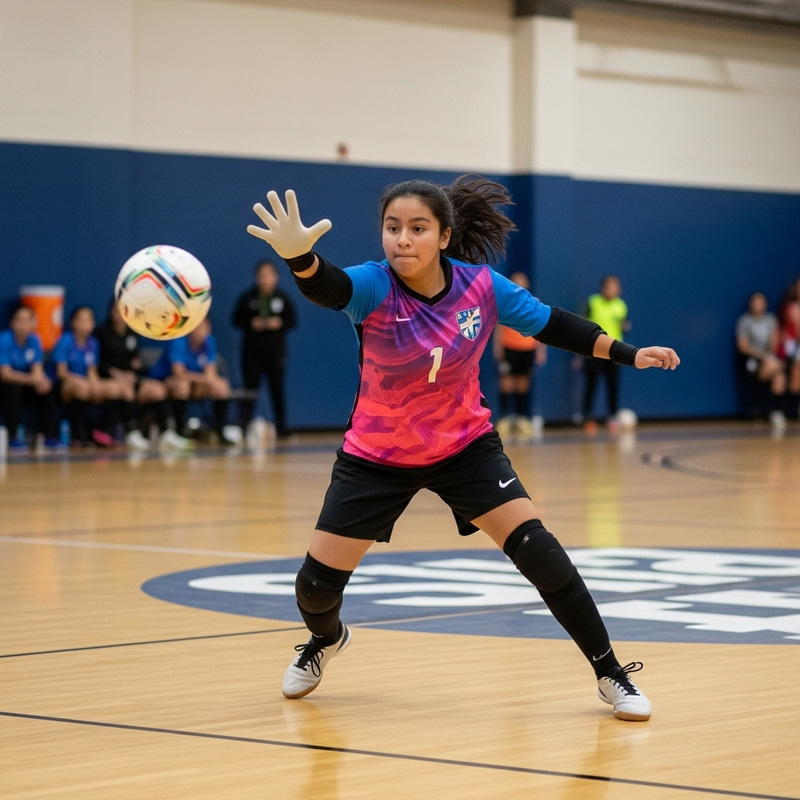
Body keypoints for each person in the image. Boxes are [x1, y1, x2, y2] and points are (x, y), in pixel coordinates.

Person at [246, 175, 680, 721]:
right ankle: (326, 639)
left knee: (542, 554)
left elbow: (553, 325)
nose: (403, 239)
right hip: (377, 456)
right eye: (392, 228)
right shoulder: (375, 285)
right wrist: (302, 259)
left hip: (465, 447)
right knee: (313, 589)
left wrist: (628, 353)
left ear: (444, 236)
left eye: (417, 228)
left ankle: (611, 673)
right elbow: (329, 288)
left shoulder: (481, 287)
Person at [50, 305, 135, 447]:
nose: (85, 324)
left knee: (119, 388)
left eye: (88, 320)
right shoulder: (66, 340)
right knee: (82, 389)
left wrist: (96, 385)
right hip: (63, 385)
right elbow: (61, 373)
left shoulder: (93, 343)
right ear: (73, 322)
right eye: (81, 320)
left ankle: (110, 431)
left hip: (85, 382)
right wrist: (85, 383)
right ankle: (78, 434)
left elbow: (92, 371)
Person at [94, 299, 173, 451]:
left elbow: (134, 361)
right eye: (117, 311)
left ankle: (166, 433)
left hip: (130, 378)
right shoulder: (101, 333)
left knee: (157, 390)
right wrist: (117, 374)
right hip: (109, 378)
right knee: (126, 390)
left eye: (124, 311)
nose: (120, 315)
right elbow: (98, 363)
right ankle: (131, 432)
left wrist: (135, 369)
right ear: (111, 312)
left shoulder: (132, 333)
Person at [231, 258, 297, 438]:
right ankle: (243, 426)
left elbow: (292, 320)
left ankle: (281, 428)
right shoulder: (248, 297)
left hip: (275, 351)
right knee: (250, 389)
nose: (265, 279)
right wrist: (251, 323)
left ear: (275, 277)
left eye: (268, 275)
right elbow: (236, 319)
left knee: (277, 389)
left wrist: (280, 323)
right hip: (252, 351)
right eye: (261, 275)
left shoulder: (282, 298)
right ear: (256, 277)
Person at [148, 316, 235, 445]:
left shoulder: (209, 341)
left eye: (203, 327)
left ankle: (219, 431)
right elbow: (179, 373)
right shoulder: (179, 341)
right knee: (182, 386)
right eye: (197, 327)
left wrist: (209, 380)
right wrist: (205, 379)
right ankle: (179, 432)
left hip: (193, 382)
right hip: (165, 380)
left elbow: (211, 373)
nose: (200, 331)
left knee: (221, 386)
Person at [493, 271, 547, 440]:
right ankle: (505, 418)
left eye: (522, 281)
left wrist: (541, 350)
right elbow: (498, 329)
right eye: (516, 281)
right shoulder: (504, 302)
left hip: (527, 349)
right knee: (506, 382)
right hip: (509, 348)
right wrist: (498, 348)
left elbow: (541, 327)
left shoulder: (534, 302)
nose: (519, 283)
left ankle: (521, 418)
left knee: (523, 383)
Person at [0, 304, 59, 450]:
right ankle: (13, 437)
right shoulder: (4, 340)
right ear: (12, 322)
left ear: (33, 323)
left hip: (25, 384)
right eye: (19, 320)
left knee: (47, 387)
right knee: (13, 389)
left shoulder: (34, 340)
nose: (23, 324)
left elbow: (37, 370)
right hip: (6, 385)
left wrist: (41, 381)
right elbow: (5, 374)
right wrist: (32, 380)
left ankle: (48, 436)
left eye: (27, 320)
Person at [581, 275, 630, 435]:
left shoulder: (621, 306)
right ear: (603, 287)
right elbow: (581, 323)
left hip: (615, 352)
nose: (613, 290)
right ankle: (588, 418)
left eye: (616, 287)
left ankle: (613, 418)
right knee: (591, 384)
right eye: (610, 286)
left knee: (613, 385)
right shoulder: (593, 302)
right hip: (594, 350)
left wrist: (625, 326)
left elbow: (623, 324)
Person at [736, 291, 787, 428]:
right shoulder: (744, 321)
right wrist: (762, 356)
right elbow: (743, 347)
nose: (758, 305)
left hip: (769, 359)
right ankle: (774, 410)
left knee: (778, 375)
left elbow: (774, 343)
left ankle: (774, 411)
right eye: (755, 303)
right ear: (751, 304)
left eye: (761, 302)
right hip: (752, 359)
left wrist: (768, 356)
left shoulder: (771, 320)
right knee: (777, 369)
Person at [777, 276, 800, 421]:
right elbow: (796, 332)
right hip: (792, 346)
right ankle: (792, 408)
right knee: (796, 372)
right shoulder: (791, 307)